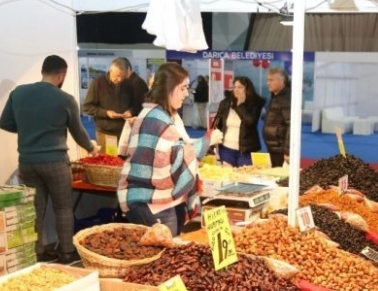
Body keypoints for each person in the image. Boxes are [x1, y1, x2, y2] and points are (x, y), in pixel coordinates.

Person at [0, 55, 99, 264]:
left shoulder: (18, 94)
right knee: (63, 207)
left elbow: (5, 123)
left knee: (36, 207)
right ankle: (66, 252)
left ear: (43, 71)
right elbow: (78, 132)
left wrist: (27, 130)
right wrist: (92, 148)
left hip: (27, 162)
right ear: (61, 74)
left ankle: (37, 251)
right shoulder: (65, 99)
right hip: (55, 162)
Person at [118, 63, 223, 235]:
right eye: (182, 88)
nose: (186, 94)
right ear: (168, 88)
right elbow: (177, 155)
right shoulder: (156, 119)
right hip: (151, 202)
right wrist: (207, 141)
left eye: (187, 88)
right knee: (162, 256)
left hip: (164, 201)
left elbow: (175, 148)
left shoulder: (163, 115)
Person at [213, 77, 266, 167]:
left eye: (240, 87)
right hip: (226, 149)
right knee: (227, 177)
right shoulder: (225, 103)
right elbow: (217, 124)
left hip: (246, 150)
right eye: (235, 87)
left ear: (247, 89)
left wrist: (240, 106)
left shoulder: (255, 104)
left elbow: (251, 122)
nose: (236, 90)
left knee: (244, 177)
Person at [83, 58, 134, 150]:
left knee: (123, 161)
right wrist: (106, 113)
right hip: (106, 133)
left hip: (124, 131)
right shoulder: (97, 83)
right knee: (109, 161)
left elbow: (136, 105)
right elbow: (87, 107)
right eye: (117, 76)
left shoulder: (128, 84)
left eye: (123, 76)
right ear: (110, 70)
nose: (119, 79)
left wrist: (131, 111)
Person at [263, 68, 291, 167]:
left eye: (271, 80)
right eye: (267, 80)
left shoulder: (286, 99)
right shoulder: (276, 96)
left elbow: (291, 126)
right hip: (274, 146)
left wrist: (288, 151)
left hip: (280, 149)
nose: (268, 83)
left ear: (282, 81)